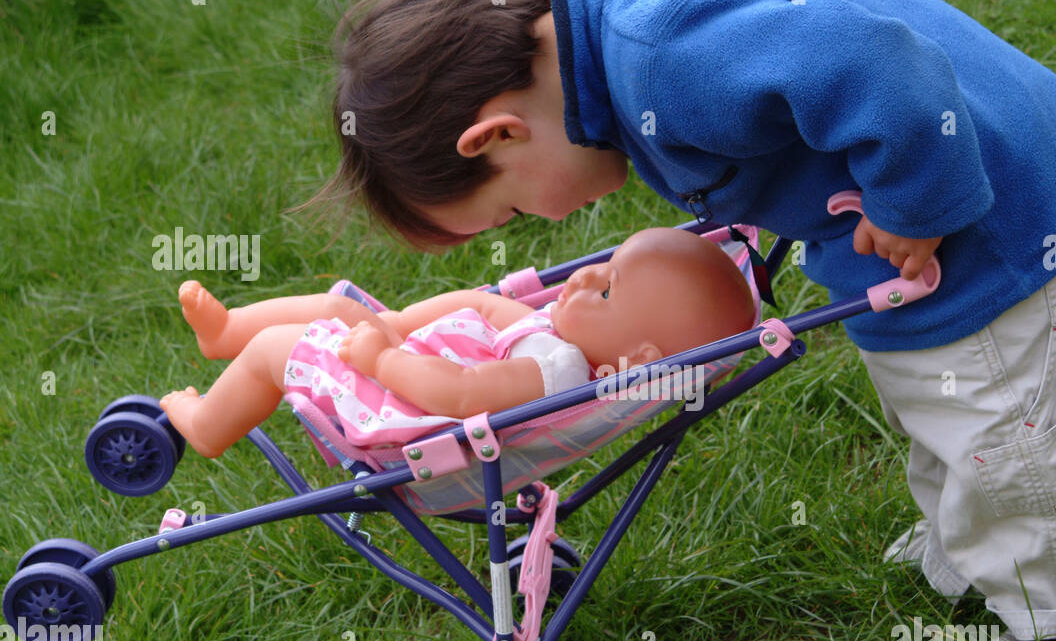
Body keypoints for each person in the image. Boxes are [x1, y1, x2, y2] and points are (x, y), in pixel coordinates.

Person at [302, 0, 1056, 641]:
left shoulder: (662, 56)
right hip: (938, 235)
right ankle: (971, 542)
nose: (543, 223)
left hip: (987, 237)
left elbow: (875, 59)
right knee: (940, 409)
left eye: (515, 207)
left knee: (1007, 433)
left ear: (499, 134)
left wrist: (916, 200)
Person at [159, 227, 755, 457]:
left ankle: (207, 426)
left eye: (606, 291)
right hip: (407, 360)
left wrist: (383, 355)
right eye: (606, 265)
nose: (585, 277)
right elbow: (487, 307)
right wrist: (403, 324)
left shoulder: (555, 374)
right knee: (340, 305)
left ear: (641, 360)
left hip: (400, 408)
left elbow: (460, 394)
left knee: (277, 351)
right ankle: (226, 332)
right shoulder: (558, 339)